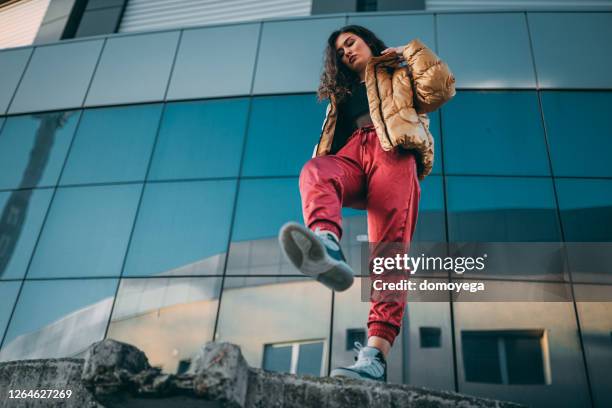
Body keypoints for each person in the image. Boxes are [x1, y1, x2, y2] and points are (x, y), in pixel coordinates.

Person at [279, 25, 455, 382]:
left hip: (391, 152)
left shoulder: (396, 71)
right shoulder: (339, 97)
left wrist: (408, 50)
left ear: (367, 42)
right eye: (339, 51)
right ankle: (326, 245)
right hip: (351, 158)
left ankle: (374, 356)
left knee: (388, 253)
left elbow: (440, 89)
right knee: (314, 170)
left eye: (350, 42)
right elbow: (328, 151)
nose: (345, 51)